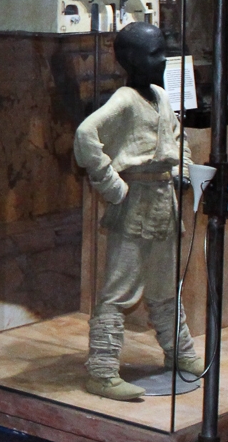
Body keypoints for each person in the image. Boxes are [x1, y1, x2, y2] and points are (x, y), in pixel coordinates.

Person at [72, 21, 199, 401]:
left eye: (163, 52)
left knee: (164, 286)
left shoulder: (160, 96)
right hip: (135, 204)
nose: (162, 60)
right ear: (129, 59)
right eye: (154, 54)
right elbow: (85, 136)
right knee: (119, 289)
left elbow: (179, 139)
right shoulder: (125, 99)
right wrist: (112, 186)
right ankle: (102, 371)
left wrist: (183, 170)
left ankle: (180, 352)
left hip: (163, 202)